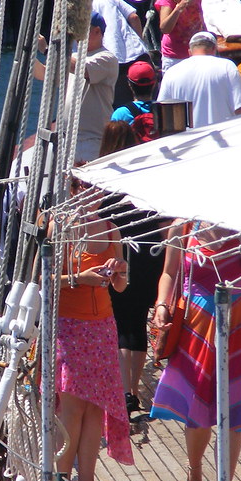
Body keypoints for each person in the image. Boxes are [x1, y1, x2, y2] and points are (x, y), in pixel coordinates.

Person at [149, 221, 241, 481]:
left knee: (234, 406)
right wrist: (161, 305)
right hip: (197, 321)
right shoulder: (183, 227)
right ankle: (195, 474)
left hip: (240, 320)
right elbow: (169, 273)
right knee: (198, 404)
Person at [56, 183, 132, 481]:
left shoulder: (112, 230)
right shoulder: (60, 228)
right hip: (70, 327)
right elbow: (43, 279)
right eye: (84, 188)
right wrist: (80, 278)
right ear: (73, 190)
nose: (92, 195)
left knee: (94, 407)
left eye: (96, 189)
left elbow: (121, 287)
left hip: (102, 327)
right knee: (72, 409)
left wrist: (119, 271)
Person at [97, 121, 165, 419]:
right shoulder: (146, 176)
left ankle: (123, 389)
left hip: (116, 255)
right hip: (148, 254)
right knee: (135, 322)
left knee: (118, 322)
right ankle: (133, 389)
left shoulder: (101, 178)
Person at [34, 11, 119, 165]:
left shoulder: (107, 58)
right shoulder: (71, 57)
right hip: (67, 139)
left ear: (97, 31)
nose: (76, 35)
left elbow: (82, 69)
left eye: (81, 29)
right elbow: (46, 74)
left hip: (91, 140)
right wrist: (28, 55)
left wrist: (47, 50)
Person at [157, 31, 241, 128]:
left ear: (189, 52)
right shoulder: (227, 66)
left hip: (189, 137)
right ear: (214, 49)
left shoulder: (171, 72)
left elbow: (162, 114)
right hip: (225, 134)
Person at [91, 0, 152, 109]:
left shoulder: (82, 8)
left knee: (122, 108)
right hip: (137, 54)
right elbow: (134, 17)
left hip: (111, 61)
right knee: (147, 104)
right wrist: (139, 41)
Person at [155, 0, 206, 71]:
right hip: (175, 56)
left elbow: (200, 20)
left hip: (195, 52)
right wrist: (179, 7)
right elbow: (164, 28)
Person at [110, 60, 158, 139]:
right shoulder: (163, 110)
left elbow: (113, 143)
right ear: (154, 83)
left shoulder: (120, 114)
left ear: (129, 84)